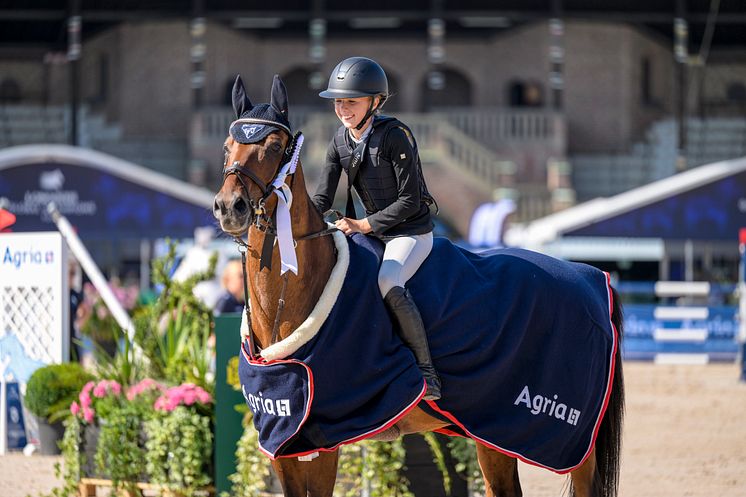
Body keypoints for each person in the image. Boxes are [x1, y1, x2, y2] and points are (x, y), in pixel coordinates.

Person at [312, 56, 441, 400]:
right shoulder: (339, 141)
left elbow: (409, 201)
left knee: (387, 281)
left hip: (410, 233)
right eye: (339, 101)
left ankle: (427, 373)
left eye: (351, 101)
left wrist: (363, 224)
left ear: (375, 101)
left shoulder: (395, 135)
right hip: (373, 232)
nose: (343, 108)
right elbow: (322, 197)